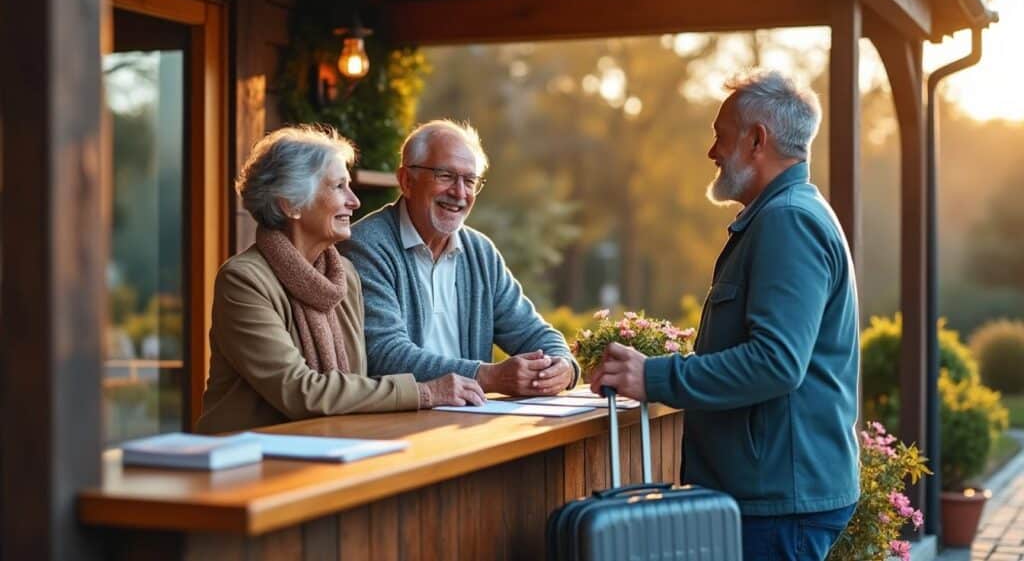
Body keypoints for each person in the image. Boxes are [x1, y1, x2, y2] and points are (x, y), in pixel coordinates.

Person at [589, 70, 860, 560]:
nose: (712, 151)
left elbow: (776, 362)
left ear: (757, 140)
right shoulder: (781, 215)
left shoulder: (788, 221)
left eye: (721, 135)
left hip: (776, 503)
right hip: (772, 495)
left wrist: (654, 376)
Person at [196, 125, 484, 434]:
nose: (354, 201)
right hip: (247, 455)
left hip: (331, 446)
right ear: (290, 204)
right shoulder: (243, 281)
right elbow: (300, 391)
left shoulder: (344, 274)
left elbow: (356, 384)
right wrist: (424, 392)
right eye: (338, 187)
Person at [340, 119, 579, 396]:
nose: (459, 192)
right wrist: (488, 376)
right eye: (445, 176)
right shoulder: (366, 246)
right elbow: (385, 354)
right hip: (399, 415)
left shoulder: (481, 252)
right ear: (407, 181)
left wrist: (563, 366)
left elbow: (531, 331)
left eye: (470, 181)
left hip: (468, 417)